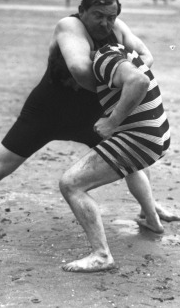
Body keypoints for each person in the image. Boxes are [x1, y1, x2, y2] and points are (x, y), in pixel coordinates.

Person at [0, 0, 179, 247]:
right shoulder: (69, 26)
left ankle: (150, 212)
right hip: (48, 110)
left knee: (131, 163)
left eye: (111, 16)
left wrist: (127, 71)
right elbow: (80, 70)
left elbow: (146, 56)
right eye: (98, 16)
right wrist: (121, 72)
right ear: (82, 11)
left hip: (91, 115)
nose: (105, 24)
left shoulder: (116, 27)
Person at [59, 42, 170, 273]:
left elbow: (139, 81)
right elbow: (147, 58)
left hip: (141, 138)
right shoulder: (122, 50)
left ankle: (101, 255)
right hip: (159, 133)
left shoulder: (102, 57)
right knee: (129, 167)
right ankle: (152, 220)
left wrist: (111, 122)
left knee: (71, 184)